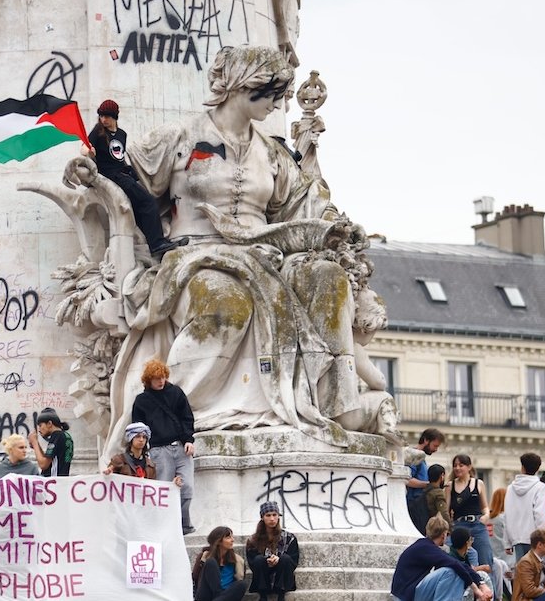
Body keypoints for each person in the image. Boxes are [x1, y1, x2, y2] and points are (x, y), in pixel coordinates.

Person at [76, 45, 384, 453]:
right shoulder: (181, 138)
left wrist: (337, 227)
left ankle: (334, 403)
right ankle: (170, 415)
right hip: (196, 255)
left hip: (265, 257)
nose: (277, 103)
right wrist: (88, 169)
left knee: (326, 279)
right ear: (242, 87)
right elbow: (125, 173)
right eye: (271, 92)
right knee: (227, 304)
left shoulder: (272, 152)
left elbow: (304, 204)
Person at [83, 99, 186, 257]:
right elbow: (84, 148)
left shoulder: (122, 134)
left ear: (114, 117)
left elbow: (118, 157)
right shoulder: (98, 131)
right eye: (101, 116)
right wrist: (89, 151)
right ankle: (157, 242)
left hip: (122, 172)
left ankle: (155, 244)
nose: (103, 120)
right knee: (148, 201)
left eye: (107, 116)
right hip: (111, 175)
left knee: (138, 208)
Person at [131, 359, 196, 533]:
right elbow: (138, 428)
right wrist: (144, 450)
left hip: (181, 446)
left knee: (187, 486)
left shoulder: (176, 393)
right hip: (158, 449)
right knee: (163, 489)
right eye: (156, 378)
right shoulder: (141, 401)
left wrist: (189, 440)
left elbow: (187, 417)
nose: (161, 381)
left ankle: (183, 524)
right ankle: (164, 525)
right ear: (148, 380)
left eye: (163, 377)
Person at [390, 516, 492, 601]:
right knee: (450, 571)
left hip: (406, 592)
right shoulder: (426, 547)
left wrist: (480, 583)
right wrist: (476, 589)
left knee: (455, 569)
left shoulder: (425, 546)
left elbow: (460, 564)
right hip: (405, 595)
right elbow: (455, 564)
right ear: (443, 535)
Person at [445, 454, 494, 569]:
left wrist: (486, 515)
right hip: (459, 526)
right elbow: (446, 510)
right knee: (457, 559)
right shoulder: (450, 486)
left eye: (461, 465)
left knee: (485, 558)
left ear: (469, 467)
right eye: (455, 465)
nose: (457, 468)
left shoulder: (478, 483)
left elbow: (484, 506)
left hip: (477, 524)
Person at [245, 502, 299, 601]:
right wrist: (267, 561)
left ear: (278, 516)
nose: (272, 519)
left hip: (282, 578)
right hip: (263, 579)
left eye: (275, 515)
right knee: (258, 560)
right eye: (268, 515)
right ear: (262, 517)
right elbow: (252, 563)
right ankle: (263, 596)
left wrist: (279, 560)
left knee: (286, 558)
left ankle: (281, 596)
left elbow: (293, 561)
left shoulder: (290, 538)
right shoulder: (253, 540)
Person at [505, 453, 545, 564]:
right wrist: (542, 538)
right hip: (534, 538)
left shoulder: (511, 488)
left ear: (522, 467)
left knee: (522, 573)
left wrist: (507, 541)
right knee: (535, 573)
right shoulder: (540, 487)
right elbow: (540, 515)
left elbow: (507, 515)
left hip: (516, 538)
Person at [192, 526, 248, 601]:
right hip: (206, 595)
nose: (232, 540)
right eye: (228, 537)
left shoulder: (238, 560)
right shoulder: (204, 556)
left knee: (242, 584)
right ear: (218, 541)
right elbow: (195, 577)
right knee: (211, 562)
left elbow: (239, 579)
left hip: (226, 596)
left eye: (232, 537)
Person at [30, 408, 74, 477]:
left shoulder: (56, 436)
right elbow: (48, 459)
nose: (39, 429)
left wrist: (34, 443)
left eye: (40, 425)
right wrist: (36, 444)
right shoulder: (65, 435)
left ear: (49, 423)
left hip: (53, 481)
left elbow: (43, 465)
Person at [406, 428, 445, 502]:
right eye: (435, 446)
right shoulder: (414, 456)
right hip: (413, 502)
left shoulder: (420, 457)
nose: (436, 449)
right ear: (426, 440)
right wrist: (429, 485)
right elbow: (407, 480)